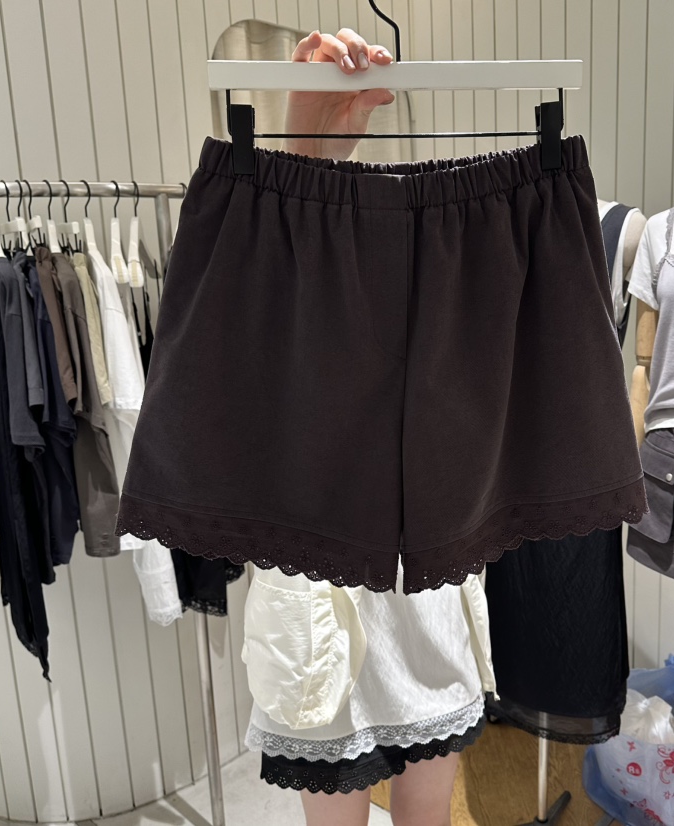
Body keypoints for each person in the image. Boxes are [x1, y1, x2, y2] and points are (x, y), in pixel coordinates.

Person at [242, 28, 495, 826]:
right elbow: (279, 255)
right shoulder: (275, 262)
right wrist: (306, 136)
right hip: (322, 583)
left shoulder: (450, 262)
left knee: (427, 809)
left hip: (426, 579)